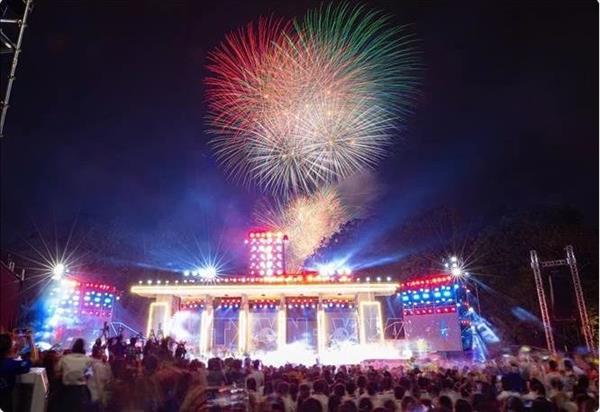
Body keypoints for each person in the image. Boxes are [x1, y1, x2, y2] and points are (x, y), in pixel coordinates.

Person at [56, 338, 92, 411]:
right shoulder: (87, 359)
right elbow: (90, 374)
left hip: (66, 391)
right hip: (81, 391)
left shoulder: (64, 358)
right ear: (83, 348)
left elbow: (57, 371)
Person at [0, 332, 32, 412]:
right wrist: (30, 341)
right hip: (4, 402)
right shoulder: (11, 365)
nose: (15, 342)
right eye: (13, 341)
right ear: (8, 347)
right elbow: (30, 361)